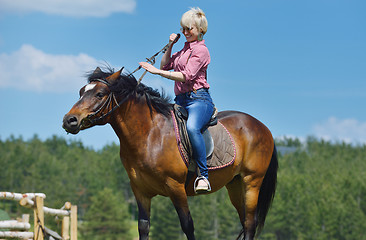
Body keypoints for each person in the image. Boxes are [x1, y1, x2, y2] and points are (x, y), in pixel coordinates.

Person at [139, 7, 214, 193]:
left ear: (200, 30)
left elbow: (187, 76)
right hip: (180, 99)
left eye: (190, 29)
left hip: (199, 99)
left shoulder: (202, 51)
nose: (186, 32)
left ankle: (203, 176)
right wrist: (170, 45)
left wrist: (158, 73)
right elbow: (165, 64)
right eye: (184, 29)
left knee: (192, 128)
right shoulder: (183, 50)